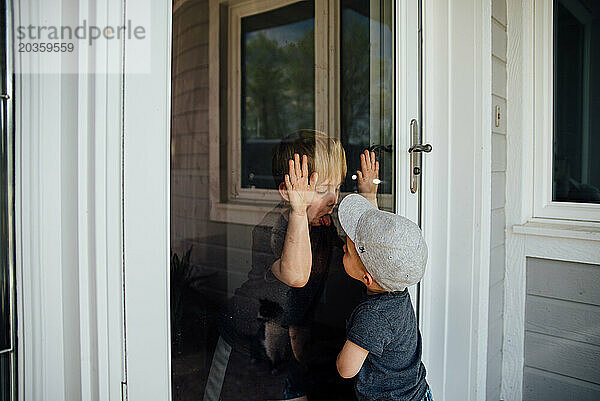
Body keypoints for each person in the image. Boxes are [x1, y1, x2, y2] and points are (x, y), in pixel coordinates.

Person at [203, 130, 380, 401]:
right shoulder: (274, 229)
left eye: (337, 187)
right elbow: (297, 276)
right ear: (288, 192)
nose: (333, 199)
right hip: (249, 340)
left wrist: (367, 197)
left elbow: (366, 251)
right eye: (321, 190)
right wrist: (299, 212)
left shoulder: (321, 224)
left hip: (291, 337)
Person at [336, 194, 433, 401]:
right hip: (417, 393)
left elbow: (346, 369)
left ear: (367, 278)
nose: (343, 248)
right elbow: (380, 243)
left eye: (348, 252)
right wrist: (369, 192)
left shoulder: (373, 316)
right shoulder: (397, 292)